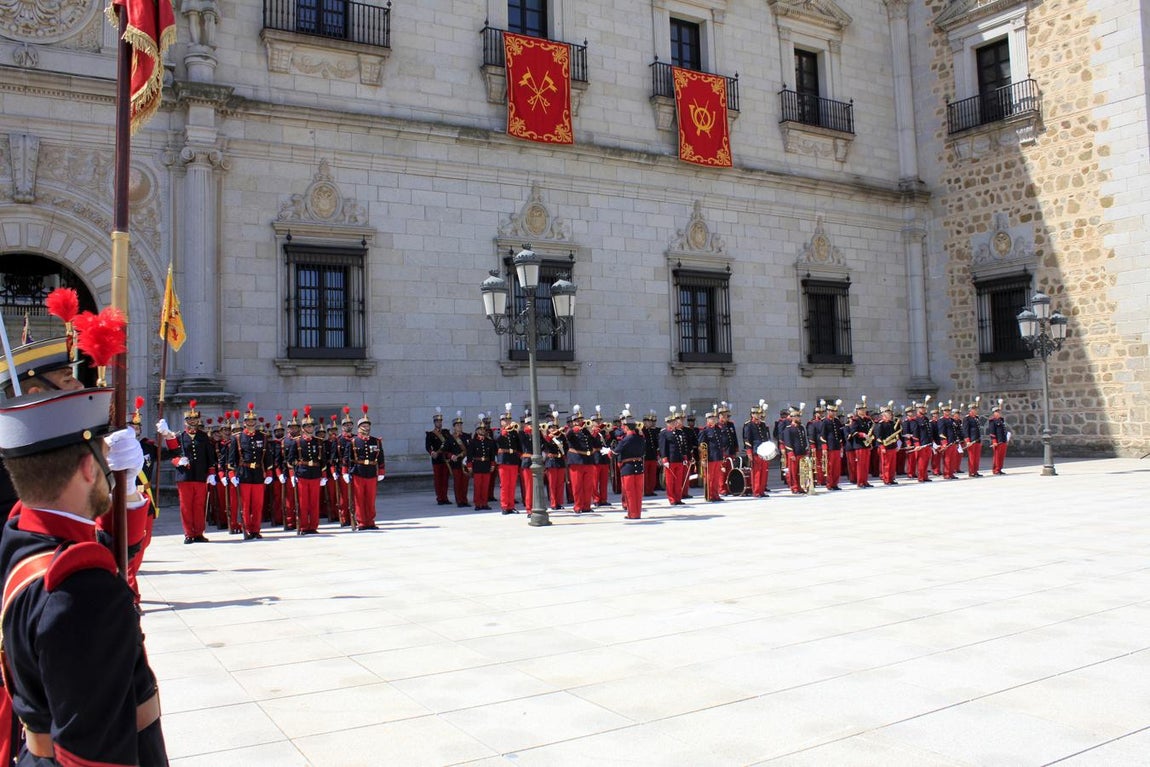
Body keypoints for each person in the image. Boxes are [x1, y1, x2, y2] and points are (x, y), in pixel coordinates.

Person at [0, 385, 169, 766]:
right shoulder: (83, 594)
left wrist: (126, 494)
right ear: (89, 468)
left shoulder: (20, 533)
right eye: (106, 457)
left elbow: (95, 547)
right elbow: (95, 755)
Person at [226, 403, 274, 539]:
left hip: (258, 473)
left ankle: (256, 529)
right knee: (246, 504)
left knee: (258, 504)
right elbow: (231, 460)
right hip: (244, 473)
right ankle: (246, 529)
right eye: (248, 421)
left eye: (253, 421)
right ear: (244, 422)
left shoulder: (263, 437)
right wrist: (231, 475)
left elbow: (268, 458)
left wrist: (269, 473)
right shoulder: (237, 438)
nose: (251, 423)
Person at [285, 406, 327, 534]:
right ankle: (303, 526)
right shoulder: (296, 442)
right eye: (307, 427)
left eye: (311, 426)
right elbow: (290, 460)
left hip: (315, 474)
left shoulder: (319, 442)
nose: (310, 429)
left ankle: (313, 526)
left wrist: (323, 475)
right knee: (303, 502)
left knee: (314, 502)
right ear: (303, 428)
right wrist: (292, 475)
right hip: (302, 474)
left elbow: (323, 461)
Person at [343, 406, 383, 529]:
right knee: (359, 498)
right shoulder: (353, 441)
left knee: (370, 499)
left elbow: (380, 457)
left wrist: (381, 471)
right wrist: (345, 472)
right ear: (359, 428)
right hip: (358, 472)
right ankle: (361, 522)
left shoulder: (375, 441)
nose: (366, 428)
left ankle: (370, 521)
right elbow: (346, 458)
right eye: (364, 426)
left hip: (371, 472)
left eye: (368, 426)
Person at [615, 412, 646, 519]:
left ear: (627, 427)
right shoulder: (641, 438)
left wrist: (609, 452)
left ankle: (632, 514)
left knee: (630, 492)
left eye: (624, 426)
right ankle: (638, 513)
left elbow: (616, 451)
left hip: (628, 467)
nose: (623, 428)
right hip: (639, 466)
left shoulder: (625, 439)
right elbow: (643, 452)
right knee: (638, 492)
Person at [743, 402, 772, 497]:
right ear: (752, 414)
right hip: (756, 451)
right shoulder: (749, 425)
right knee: (757, 471)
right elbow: (747, 439)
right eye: (756, 414)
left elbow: (765, 437)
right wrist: (749, 452)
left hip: (764, 451)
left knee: (764, 471)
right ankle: (756, 491)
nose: (759, 415)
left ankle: (762, 490)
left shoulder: (762, 424)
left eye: (759, 414)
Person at [466, 418, 495, 511]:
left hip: (486, 465)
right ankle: (478, 503)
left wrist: (492, 464)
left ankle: (484, 503)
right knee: (478, 486)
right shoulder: (473, 442)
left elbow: (492, 454)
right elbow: (469, 455)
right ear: (477, 431)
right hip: (477, 466)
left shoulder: (489, 441)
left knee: (485, 486)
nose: (482, 431)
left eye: (484, 429)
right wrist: (470, 466)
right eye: (480, 429)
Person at [426, 408, 451, 505]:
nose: (439, 423)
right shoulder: (430, 434)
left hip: (445, 459)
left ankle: (445, 497)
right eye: (437, 421)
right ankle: (440, 498)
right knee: (438, 480)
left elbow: (449, 444)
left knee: (445, 479)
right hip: (437, 459)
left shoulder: (446, 433)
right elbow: (428, 447)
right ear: (434, 423)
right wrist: (432, 453)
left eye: (440, 421)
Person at [963, 399, 984, 477]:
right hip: (971, 441)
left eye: (976, 409)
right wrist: (967, 441)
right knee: (972, 457)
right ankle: (971, 472)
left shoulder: (976, 418)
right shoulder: (967, 419)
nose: (976, 411)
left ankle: (975, 471)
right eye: (974, 409)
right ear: (970, 410)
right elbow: (965, 430)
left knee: (977, 457)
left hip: (977, 440)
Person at [988, 402, 1010, 474]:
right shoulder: (992, 421)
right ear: (993, 413)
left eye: (998, 412)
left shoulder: (1001, 420)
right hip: (997, 441)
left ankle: (999, 468)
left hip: (1003, 440)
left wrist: (1006, 439)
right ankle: (996, 469)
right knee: (997, 457)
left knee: (1001, 456)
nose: (998, 413)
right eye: (996, 412)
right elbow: (992, 432)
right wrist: (994, 441)